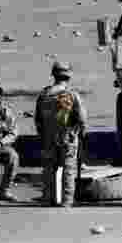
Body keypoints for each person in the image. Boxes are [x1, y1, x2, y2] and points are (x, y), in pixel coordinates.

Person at [34, 61, 86, 207]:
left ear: (54, 75)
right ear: (68, 76)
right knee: (69, 169)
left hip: (49, 137)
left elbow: (38, 119)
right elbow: (82, 119)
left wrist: (43, 135)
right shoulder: (72, 94)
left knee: (49, 168)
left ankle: (47, 198)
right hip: (68, 137)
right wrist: (80, 133)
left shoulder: (44, 94)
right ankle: (67, 201)